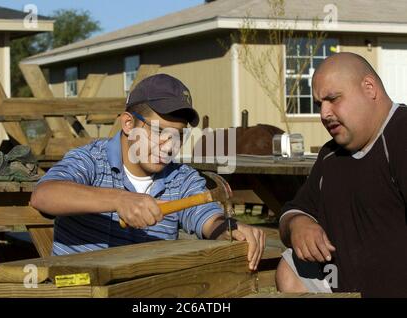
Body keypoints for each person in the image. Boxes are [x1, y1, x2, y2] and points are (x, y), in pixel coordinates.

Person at [31, 73, 265, 270]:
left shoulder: (181, 179)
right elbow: (44, 195)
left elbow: (208, 218)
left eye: (179, 135)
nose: (169, 144)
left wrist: (228, 230)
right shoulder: (91, 161)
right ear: (128, 124)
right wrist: (119, 199)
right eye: (158, 130)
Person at [275, 52, 407, 297]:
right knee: (291, 269)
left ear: (369, 88)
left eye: (333, 99)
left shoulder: (401, 136)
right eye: (319, 104)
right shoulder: (330, 155)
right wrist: (298, 224)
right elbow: (292, 211)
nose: (324, 114)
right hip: (341, 288)